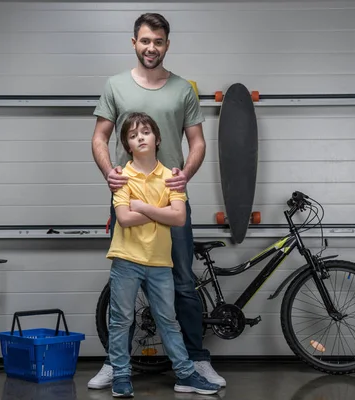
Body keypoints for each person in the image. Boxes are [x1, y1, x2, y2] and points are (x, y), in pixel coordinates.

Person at [89, 12, 226, 390]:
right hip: (128, 196)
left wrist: (187, 173)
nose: (152, 47)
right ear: (134, 42)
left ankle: (197, 362)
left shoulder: (183, 89)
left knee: (183, 284)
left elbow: (196, 143)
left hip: (170, 198)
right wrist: (108, 172)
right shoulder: (115, 86)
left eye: (159, 41)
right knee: (124, 286)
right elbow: (100, 138)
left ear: (168, 44)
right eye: (145, 40)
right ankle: (117, 367)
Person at [103, 112, 220, 397]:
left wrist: (141, 207)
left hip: (159, 262)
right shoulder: (121, 177)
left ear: (157, 139)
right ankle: (120, 376)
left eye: (145, 132)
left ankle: (185, 374)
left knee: (168, 320)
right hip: (126, 259)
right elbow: (123, 218)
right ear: (128, 145)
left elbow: (179, 217)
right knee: (121, 320)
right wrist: (161, 213)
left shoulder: (172, 177)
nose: (139, 137)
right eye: (132, 135)